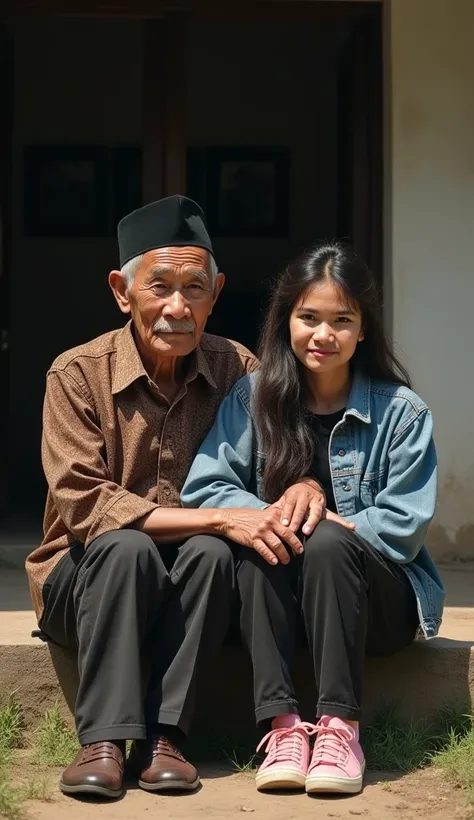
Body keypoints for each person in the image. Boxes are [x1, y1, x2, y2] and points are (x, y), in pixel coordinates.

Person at [25, 196, 337, 800]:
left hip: (199, 590)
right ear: (122, 290)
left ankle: (167, 738)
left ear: (216, 293)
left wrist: (303, 480)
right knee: (127, 549)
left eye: (195, 287)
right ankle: (104, 742)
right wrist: (220, 516)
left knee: (212, 553)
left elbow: (275, 471)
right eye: (158, 286)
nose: (177, 306)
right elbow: (86, 506)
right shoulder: (75, 374)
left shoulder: (238, 370)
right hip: (87, 584)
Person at [181, 242, 445, 797]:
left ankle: (341, 730)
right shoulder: (252, 399)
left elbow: (404, 524)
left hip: (374, 606)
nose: (323, 335)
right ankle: (282, 729)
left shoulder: (402, 412)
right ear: (287, 321)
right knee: (258, 539)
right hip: (277, 600)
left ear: (363, 330)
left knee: (324, 542)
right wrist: (275, 514)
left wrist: (323, 520)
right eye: (309, 318)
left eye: (341, 320)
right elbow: (204, 489)